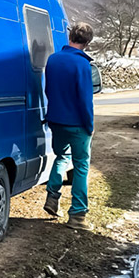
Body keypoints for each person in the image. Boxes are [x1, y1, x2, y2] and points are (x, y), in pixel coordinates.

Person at [43, 21, 96, 231]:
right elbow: (85, 100)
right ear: (88, 43)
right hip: (77, 123)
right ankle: (77, 215)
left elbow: (48, 91)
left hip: (56, 120)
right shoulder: (83, 65)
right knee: (81, 165)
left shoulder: (53, 59)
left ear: (70, 36)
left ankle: (52, 197)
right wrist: (89, 124)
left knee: (61, 157)